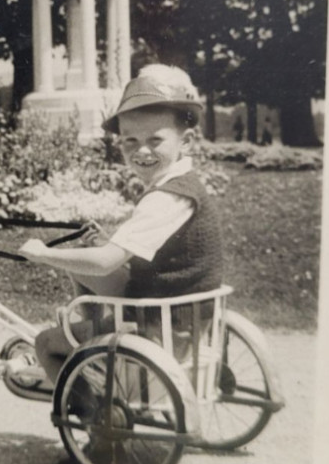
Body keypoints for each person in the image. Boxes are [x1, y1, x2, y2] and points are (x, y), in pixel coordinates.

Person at [19, 64, 224, 400]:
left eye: (154, 140)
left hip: (160, 328)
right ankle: (95, 335)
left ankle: (96, 423)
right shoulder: (181, 186)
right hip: (181, 315)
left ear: (184, 141)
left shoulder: (166, 197)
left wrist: (45, 254)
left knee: (45, 343)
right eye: (130, 141)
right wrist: (104, 242)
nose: (141, 151)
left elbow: (104, 262)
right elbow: (139, 245)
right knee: (82, 268)